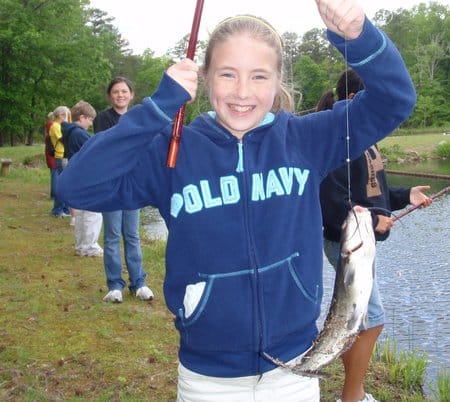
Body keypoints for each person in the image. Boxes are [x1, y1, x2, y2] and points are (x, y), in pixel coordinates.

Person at [57, 1, 417, 400]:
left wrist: (358, 36)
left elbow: (395, 99)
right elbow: (76, 187)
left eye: (259, 76)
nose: (242, 92)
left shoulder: (305, 140)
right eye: (227, 74)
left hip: (296, 368)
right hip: (207, 377)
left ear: (278, 80)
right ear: (204, 78)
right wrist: (157, 108)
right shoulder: (172, 152)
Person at [318, 69, 432, 402]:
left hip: (362, 243)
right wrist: (370, 223)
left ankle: (353, 392)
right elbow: (331, 199)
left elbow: (373, 193)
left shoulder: (367, 138)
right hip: (347, 244)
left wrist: (404, 195)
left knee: (359, 321)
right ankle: (351, 396)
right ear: (354, 100)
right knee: (372, 320)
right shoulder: (337, 138)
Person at [93, 77, 154, 303]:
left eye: (124, 91)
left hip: (133, 185)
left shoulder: (137, 117)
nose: (120, 95)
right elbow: (106, 148)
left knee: (132, 235)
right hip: (110, 185)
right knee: (111, 237)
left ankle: (139, 283)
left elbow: (143, 146)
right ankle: (114, 285)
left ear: (131, 94)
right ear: (110, 95)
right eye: (116, 92)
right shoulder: (103, 118)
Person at [61, 101, 103, 258]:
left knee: (80, 212)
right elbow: (94, 154)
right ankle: (90, 246)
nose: (91, 124)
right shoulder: (79, 133)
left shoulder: (70, 131)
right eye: (90, 120)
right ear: (82, 117)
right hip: (86, 176)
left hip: (77, 175)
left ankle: (81, 246)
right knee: (93, 212)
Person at [49, 106, 71, 217]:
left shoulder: (59, 125)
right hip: (60, 156)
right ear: (61, 115)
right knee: (62, 184)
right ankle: (57, 210)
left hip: (64, 155)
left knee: (66, 183)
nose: (68, 118)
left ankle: (65, 209)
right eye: (67, 115)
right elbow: (63, 139)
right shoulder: (56, 126)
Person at [44, 112, 57, 199]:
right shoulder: (51, 125)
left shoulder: (49, 125)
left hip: (50, 152)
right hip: (52, 153)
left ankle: (53, 194)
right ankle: (54, 195)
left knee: (54, 174)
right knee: (55, 174)